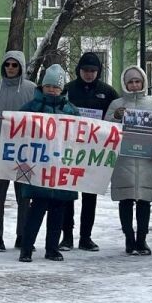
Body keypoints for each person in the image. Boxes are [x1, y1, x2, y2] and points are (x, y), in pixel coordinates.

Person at [16, 65, 79, 263]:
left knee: (58, 212)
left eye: (56, 87)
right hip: (39, 169)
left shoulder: (71, 111)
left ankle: (52, 248)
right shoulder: (31, 108)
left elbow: (81, 137)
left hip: (61, 169)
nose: (52, 90)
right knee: (36, 210)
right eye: (48, 86)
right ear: (42, 86)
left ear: (62, 89)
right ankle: (26, 248)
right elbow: (17, 129)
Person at [106, 66, 152, 255]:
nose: (134, 85)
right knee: (125, 200)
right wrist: (116, 117)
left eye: (137, 81)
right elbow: (105, 129)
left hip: (147, 161)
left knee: (144, 201)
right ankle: (129, 239)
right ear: (124, 84)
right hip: (123, 161)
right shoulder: (116, 104)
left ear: (143, 82)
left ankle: (142, 240)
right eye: (130, 82)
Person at [60, 52, 119, 251]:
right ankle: (66, 236)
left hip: (95, 152)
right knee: (67, 195)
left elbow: (116, 117)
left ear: (98, 72)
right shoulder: (68, 90)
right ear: (79, 70)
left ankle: (86, 237)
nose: (89, 74)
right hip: (70, 150)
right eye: (85, 70)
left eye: (93, 71)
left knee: (90, 196)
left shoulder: (108, 92)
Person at [0, 50, 37, 252]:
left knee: (24, 197)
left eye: (14, 65)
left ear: (20, 66)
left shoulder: (31, 89)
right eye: (7, 64)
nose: (10, 68)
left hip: (24, 153)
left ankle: (22, 235)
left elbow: (40, 116)